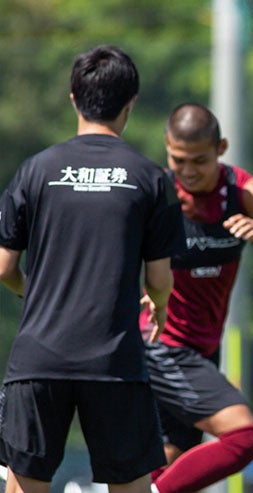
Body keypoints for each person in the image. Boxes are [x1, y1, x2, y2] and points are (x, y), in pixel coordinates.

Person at [0, 45, 183, 493]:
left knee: (27, 483)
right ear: (131, 104)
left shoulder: (35, 170)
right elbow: (159, 280)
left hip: (38, 356)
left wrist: (36, 293)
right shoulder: (150, 178)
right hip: (114, 359)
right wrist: (156, 306)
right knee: (130, 485)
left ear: (73, 98)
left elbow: (5, 267)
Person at [136, 103, 253, 493]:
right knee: (244, 437)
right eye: (179, 160)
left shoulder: (242, 189)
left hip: (203, 352)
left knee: (170, 460)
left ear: (221, 148)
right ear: (166, 149)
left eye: (200, 160)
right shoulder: (156, 195)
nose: (189, 171)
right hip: (161, 343)